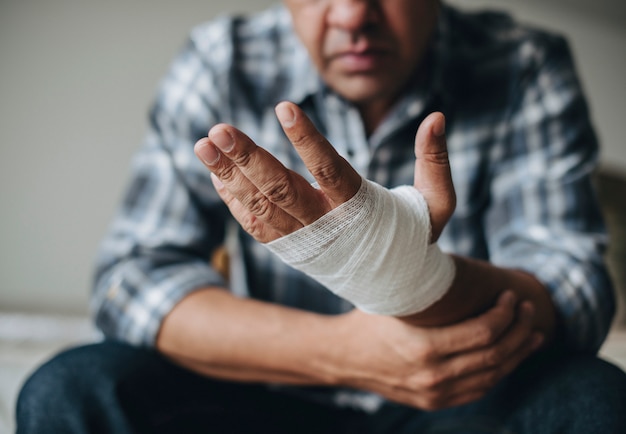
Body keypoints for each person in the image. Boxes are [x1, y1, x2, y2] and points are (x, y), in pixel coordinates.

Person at [16, 0, 626, 433]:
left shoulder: (523, 63)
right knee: (71, 388)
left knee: (594, 398)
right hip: (265, 394)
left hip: (462, 398)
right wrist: (345, 350)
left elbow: (572, 291)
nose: (353, 15)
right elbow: (131, 279)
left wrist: (411, 282)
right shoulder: (220, 59)